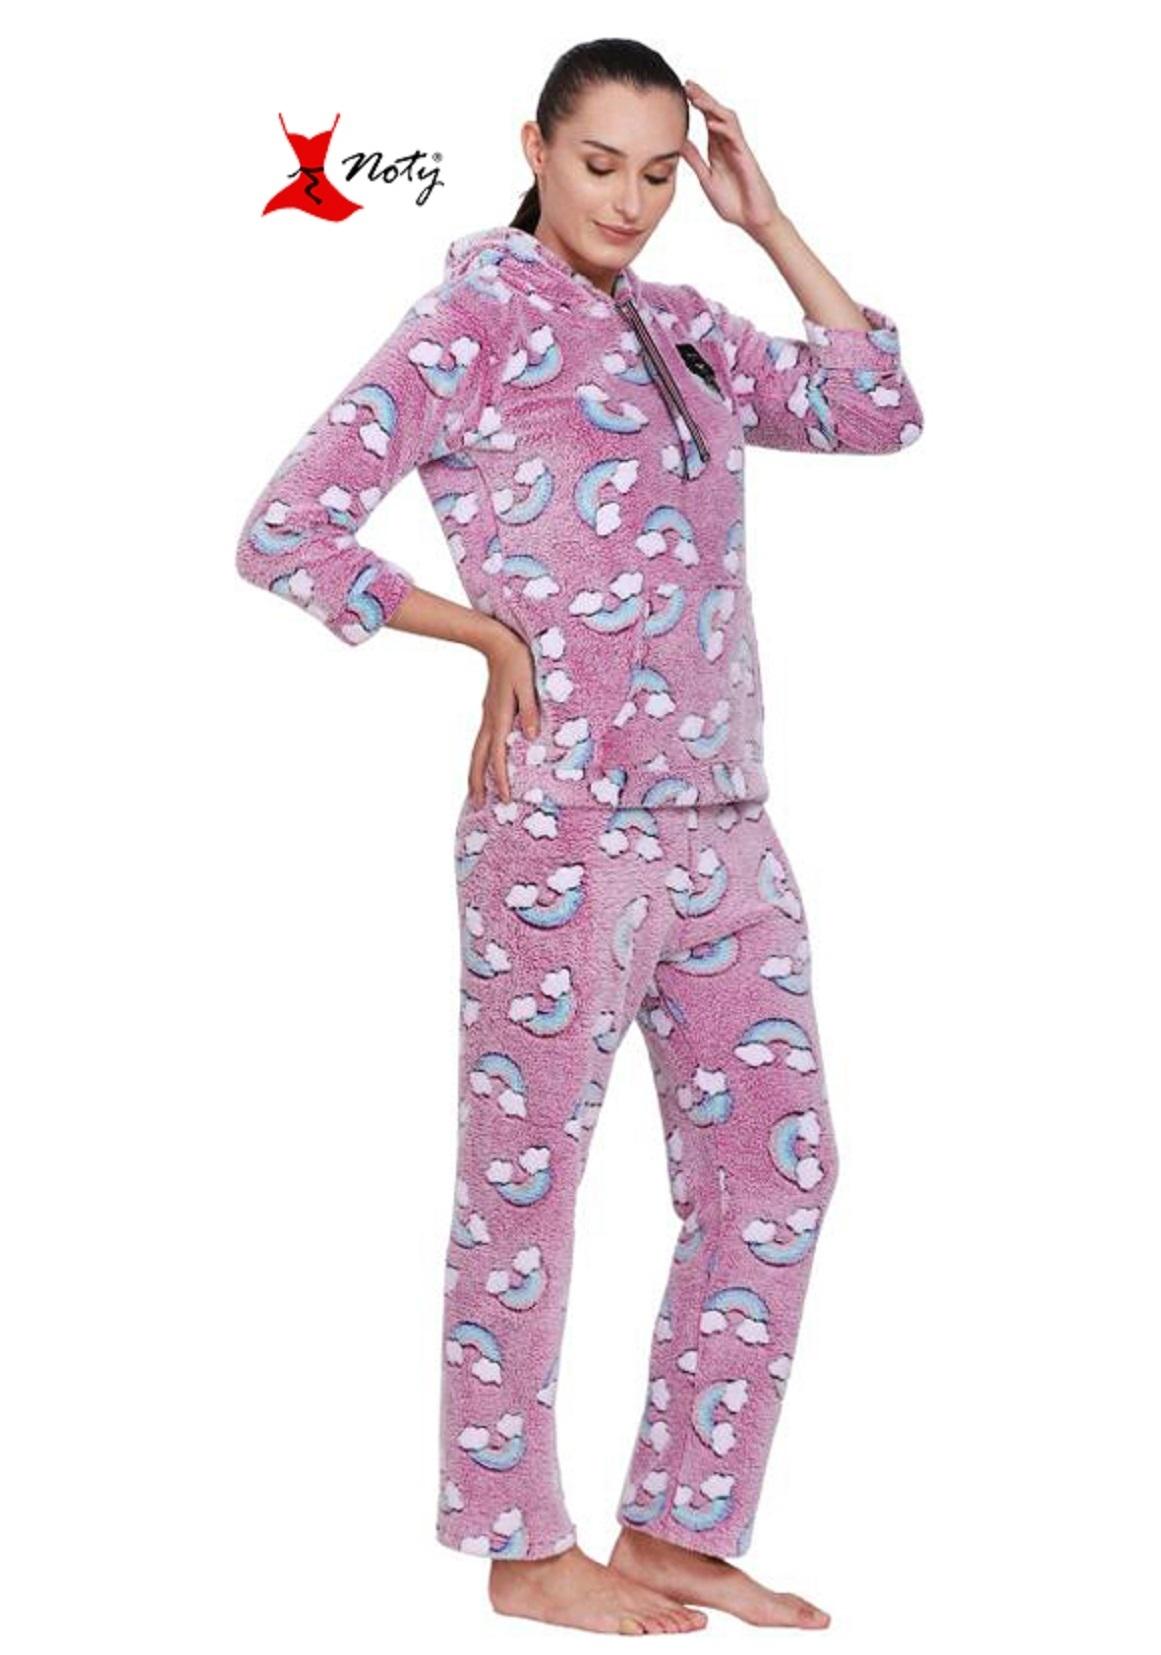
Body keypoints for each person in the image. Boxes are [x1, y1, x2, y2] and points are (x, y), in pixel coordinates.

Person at [235, 37, 922, 1638]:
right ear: (535, 147)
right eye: (600, 163)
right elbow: (285, 527)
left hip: (727, 825)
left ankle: (677, 1525)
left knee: (780, 1172)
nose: (630, 199)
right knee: (528, 1188)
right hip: (562, 834)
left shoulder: (686, 325)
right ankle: (520, 1545)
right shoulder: (474, 322)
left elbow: (878, 407)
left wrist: (764, 221)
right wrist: (480, 633)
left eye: (660, 172)